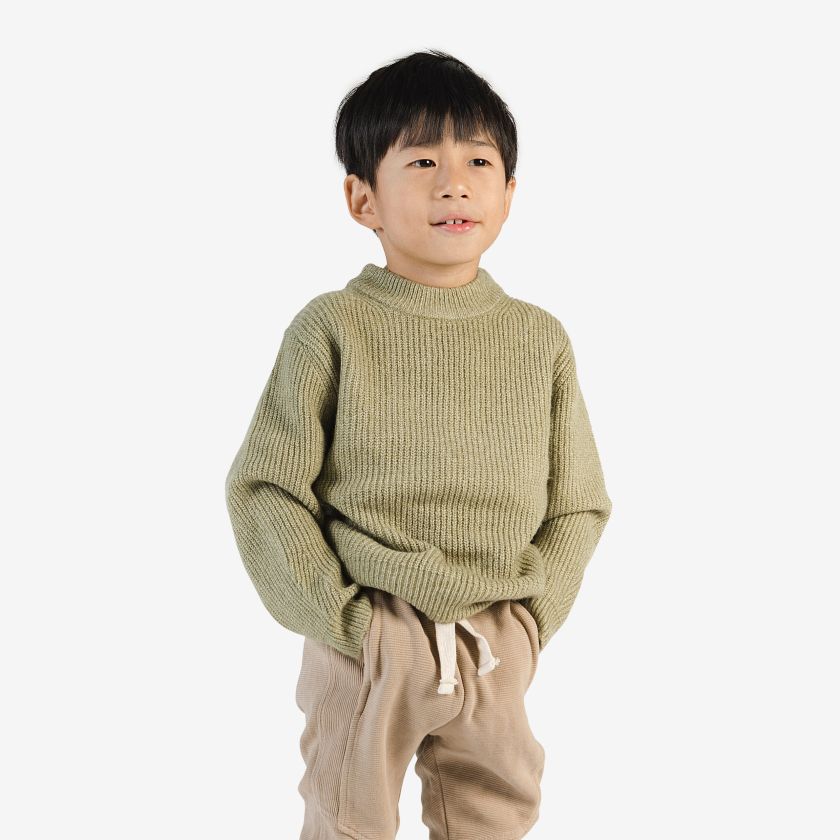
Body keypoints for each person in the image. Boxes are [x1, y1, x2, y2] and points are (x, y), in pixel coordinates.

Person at [224, 48, 613, 840]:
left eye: (479, 161)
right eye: (423, 161)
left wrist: (530, 621)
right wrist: (346, 622)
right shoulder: (333, 327)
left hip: (495, 634)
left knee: (494, 814)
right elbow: (265, 488)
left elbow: (578, 502)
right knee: (349, 815)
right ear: (362, 198)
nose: (454, 184)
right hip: (373, 632)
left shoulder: (539, 339)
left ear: (509, 193)